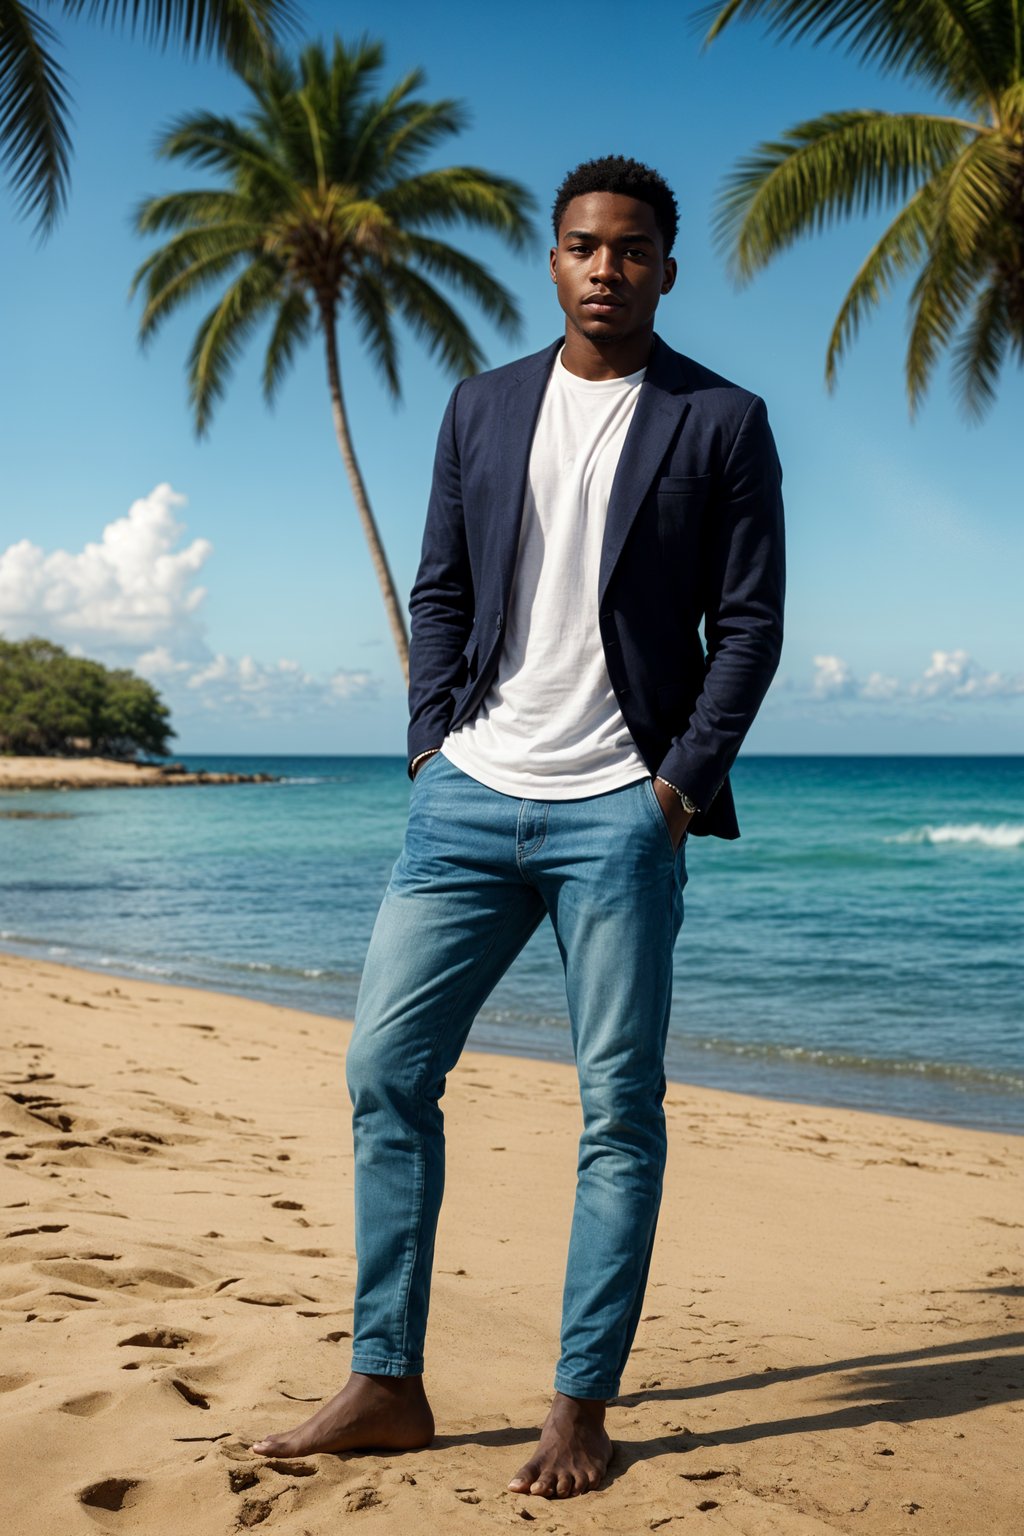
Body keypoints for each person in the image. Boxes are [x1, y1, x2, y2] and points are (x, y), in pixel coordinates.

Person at [252, 155, 785, 1498]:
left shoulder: (722, 420)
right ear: (551, 262)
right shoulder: (481, 408)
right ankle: (386, 1379)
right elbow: (441, 588)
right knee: (385, 1071)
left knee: (619, 1112)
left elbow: (753, 626)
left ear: (668, 267)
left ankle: (580, 1405)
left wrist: (671, 788)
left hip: (619, 811)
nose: (607, 267)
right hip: (468, 799)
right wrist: (431, 745)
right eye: (584, 246)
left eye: (633, 249)